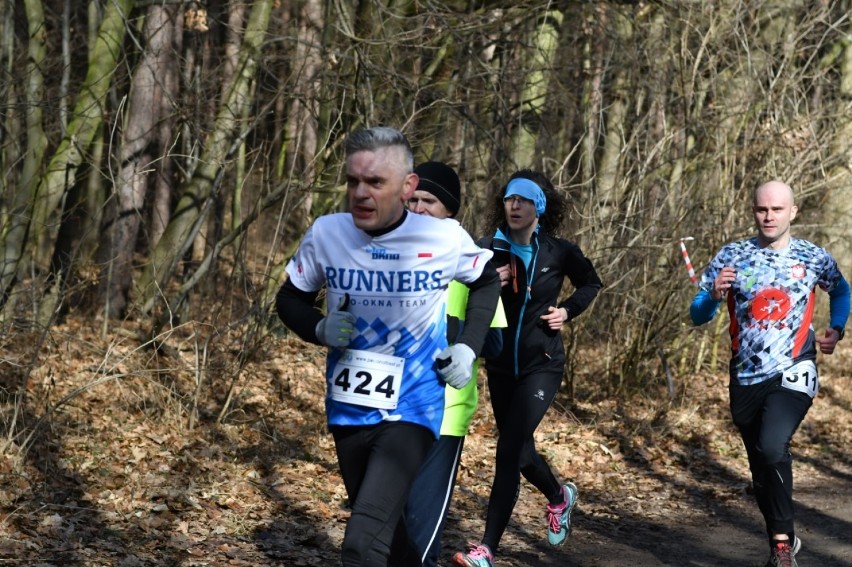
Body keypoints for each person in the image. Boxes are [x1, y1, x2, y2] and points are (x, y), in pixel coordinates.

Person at [275, 127, 502, 567]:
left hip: (413, 408)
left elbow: (487, 281)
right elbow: (289, 298)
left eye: (375, 182)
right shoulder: (328, 234)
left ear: (407, 186)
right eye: (352, 181)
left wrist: (468, 348)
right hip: (348, 407)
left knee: (361, 544)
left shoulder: (442, 237)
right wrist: (318, 328)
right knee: (390, 537)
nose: (360, 193)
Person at [689, 180, 849, 567]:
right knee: (761, 466)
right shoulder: (732, 256)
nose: (769, 217)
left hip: (794, 368)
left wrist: (837, 328)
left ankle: (780, 546)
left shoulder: (813, 257)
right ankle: (784, 538)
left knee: (773, 445)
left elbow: (842, 290)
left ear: (793, 212)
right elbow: (697, 314)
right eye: (762, 209)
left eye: (777, 209)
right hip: (745, 376)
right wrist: (712, 295)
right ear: (753, 212)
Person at [453, 170, 603, 567]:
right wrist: (485, 282)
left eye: (522, 200)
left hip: (543, 365)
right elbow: (456, 293)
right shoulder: (485, 249)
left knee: (507, 449)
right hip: (500, 364)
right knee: (520, 451)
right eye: (508, 199)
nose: (513, 206)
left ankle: (486, 550)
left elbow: (591, 283)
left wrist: (567, 311)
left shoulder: (559, 251)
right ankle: (558, 496)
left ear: (538, 207)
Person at [389, 161, 507, 567]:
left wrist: (450, 334)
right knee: (388, 526)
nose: (419, 208)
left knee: (421, 532)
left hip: (444, 412)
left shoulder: (468, 259)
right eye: (414, 199)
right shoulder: (388, 251)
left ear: (450, 211)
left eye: (431, 201)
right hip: (388, 409)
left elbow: (495, 342)